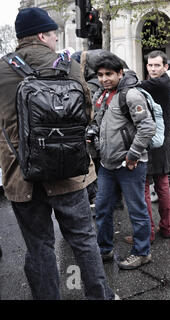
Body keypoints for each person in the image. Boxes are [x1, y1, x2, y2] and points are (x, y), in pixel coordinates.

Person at [0, 7, 115, 299]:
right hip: (69, 172)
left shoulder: (2, 69)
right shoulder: (70, 66)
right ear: (42, 34)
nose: (54, 40)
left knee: (39, 246)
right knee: (84, 241)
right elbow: (86, 116)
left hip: (21, 176)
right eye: (53, 35)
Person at [92, 52, 155, 269]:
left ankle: (142, 252)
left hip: (130, 165)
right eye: (100, 75)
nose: (104, 79)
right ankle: (105, 249)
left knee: (137, 210)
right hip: (107, 164)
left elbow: (147, 127)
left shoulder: (131, 95)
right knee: (102, 208)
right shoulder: (101, 95)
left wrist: (132, 156)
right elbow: (100, 126)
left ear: (120, 73)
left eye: (109, 74)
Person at [129, 50, 170, 242]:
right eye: (150, 65)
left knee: (145, 188)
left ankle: (148, 232)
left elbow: (133, 86)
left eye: (157, 65)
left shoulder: (159, 83)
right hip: (162, 141)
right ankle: (166, 228)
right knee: (162, 185)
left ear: (166, 67)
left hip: (151, 141)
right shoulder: (166, 83)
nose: (153, 68)